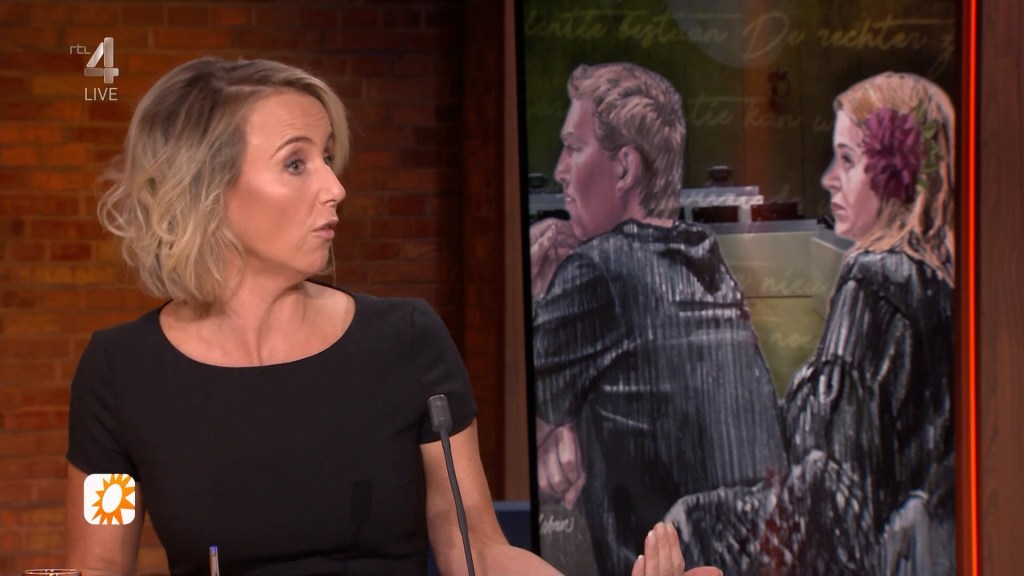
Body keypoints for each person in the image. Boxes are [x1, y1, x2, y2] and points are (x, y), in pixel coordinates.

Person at [62, 57, 719, 576]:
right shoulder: (120, 377)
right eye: (296, 163)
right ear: (206, 188)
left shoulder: (406, 343)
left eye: (327, 157)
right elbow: (97, 566)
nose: (335, 186)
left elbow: (477, 552)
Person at [664, 71, 956, 575]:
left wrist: (700, 517)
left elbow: (832, 496)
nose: (829, 178)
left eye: (848, 159)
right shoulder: (943, 280)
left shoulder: (873, 280)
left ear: (897, 174)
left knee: (682, 525)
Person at [529, 62, 787, 576]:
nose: (560, 169)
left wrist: (540, 299)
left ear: (625, 169)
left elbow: (505, 440)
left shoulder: (596, 270)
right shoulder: (703, 259)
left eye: (574, 148)